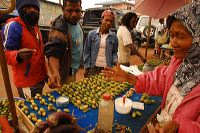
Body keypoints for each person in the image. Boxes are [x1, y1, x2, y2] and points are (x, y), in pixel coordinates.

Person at [102, 1, 200, 133]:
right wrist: (131, 78)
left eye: (180, 36)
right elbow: (159, 79)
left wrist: (180, 127)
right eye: (171, 35)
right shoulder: (180, 64)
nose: (172, 43)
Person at [1, 0, 47, 98]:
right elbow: (5, 54)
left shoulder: (35, 27)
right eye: (28, 7)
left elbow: (40, 51)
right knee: (31, 110)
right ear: (21, 9)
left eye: (35, 8)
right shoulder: (14, 27)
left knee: (39, 106)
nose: (33, 10)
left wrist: (46, 73)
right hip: (27, 82)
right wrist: (18, 55)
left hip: (39, 78)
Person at [45, 0, 83, 88]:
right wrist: (55, 73)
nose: (74, 14)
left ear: (81, 9)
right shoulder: (59, 29)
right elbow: (53, 53)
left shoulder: (77, 23)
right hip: (65, 75)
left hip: (74, 70)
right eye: (70, 11)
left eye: (77, 11)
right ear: (63, 9)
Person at [83, 10, 118, 77]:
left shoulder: (114, 37)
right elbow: (87, 51)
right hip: (93, 68)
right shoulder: (91, 34)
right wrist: (86, 67)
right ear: (101, 19)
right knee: (92, 86)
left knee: (105, 86)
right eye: (106, 20)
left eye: (111, 21)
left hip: (107, 68)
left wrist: (116, 61)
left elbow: (114, 53)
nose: (108, 23)